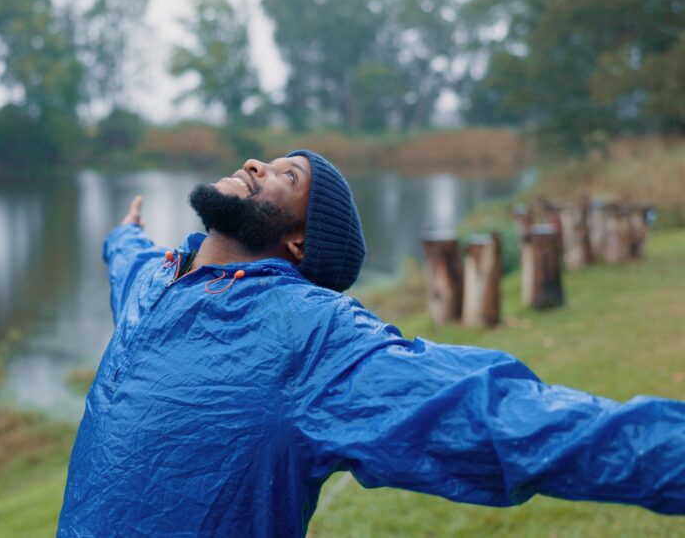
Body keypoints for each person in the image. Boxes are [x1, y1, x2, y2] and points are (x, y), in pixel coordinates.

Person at [57, 150, 684, 537]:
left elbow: (501, 420)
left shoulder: (310, 335)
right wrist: (123, 232)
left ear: (298, 244)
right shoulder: (156, 279)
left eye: (285, 176)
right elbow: (127, 259)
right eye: (267, 161)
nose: (256, 165)